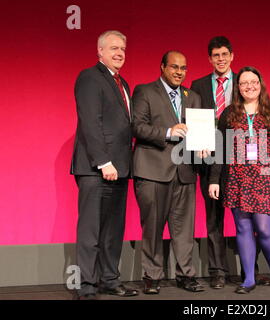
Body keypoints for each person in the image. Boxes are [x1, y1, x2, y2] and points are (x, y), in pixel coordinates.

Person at [209, 66, 270, 294]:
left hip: (265, 178)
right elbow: (221, 147)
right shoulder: (229, 113)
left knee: (264, 229)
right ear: (238, 87)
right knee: (242, 228)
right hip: (236, 177)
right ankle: (248, 279)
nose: (249, 86)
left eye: (253, 81)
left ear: (260, 83)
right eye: (244, 83)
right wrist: (214, 179)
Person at [70, 30, 138, 299]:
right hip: (96, 168)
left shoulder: (124, 84)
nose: (119, 53)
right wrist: (104, 162)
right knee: (91, 230)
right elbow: (90, 122)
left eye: (122, 48)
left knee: (113, 230)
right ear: (100, 51)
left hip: (120, 168)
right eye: (113, 48)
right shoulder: (89, 77)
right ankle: (86, 286)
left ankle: (109, 279)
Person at [132, 51, 204, 294]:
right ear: (162, 67)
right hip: (153, 170)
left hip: (184, 171)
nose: (179, 72)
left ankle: (186, 274)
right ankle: (152, 275)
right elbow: (138, 126)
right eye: (174, 67)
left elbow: (198, 133)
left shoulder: (192, 96)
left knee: (185, 229)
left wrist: (204, 147)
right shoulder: (145, 91)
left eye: (183, 68)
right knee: (152, 226)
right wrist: (167, 132)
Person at [190, 36, 236, 289]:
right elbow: (194, 120)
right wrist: (198, 146)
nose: (221, 59)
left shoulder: (245, 82)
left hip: (239, 160)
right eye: (216, 55)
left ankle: (249, 268)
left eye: (224, 54)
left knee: (245, 217)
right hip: (209, 161)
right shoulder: (197, 86)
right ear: (210, 59)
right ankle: (218, 270)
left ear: (232, 56)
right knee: (213, 218)